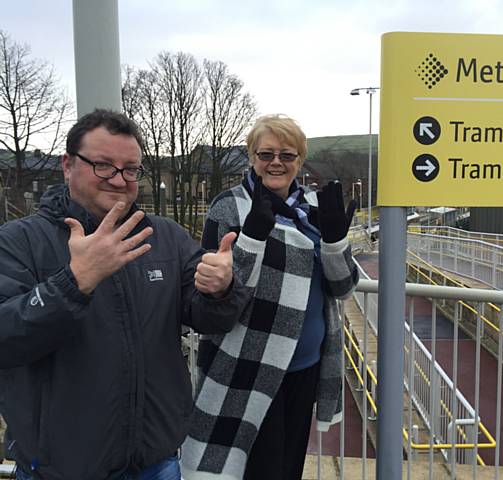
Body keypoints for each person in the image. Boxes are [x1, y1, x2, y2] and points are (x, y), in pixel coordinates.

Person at [0, 109, 247, 480]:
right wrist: (74, 281)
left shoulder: (164, 236)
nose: (118, 180)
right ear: (68, 165)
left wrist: (221, 288)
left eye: (130, 169)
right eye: (103, 166)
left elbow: (214, 318)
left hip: (156, 460)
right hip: (61, 469)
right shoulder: (19, 242)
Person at [181, 114, 359, 479]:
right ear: (251, 156)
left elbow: (342, 288)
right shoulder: (228, 207)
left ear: (299, 159)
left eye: (287, 155)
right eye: (266, 154)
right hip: (249, 364)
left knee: (289, 464)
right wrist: (252, 238)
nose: (276, 162)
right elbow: (220, 293)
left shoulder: (314, 206)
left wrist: (335, 241)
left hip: (306, 363)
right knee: (252, 467)